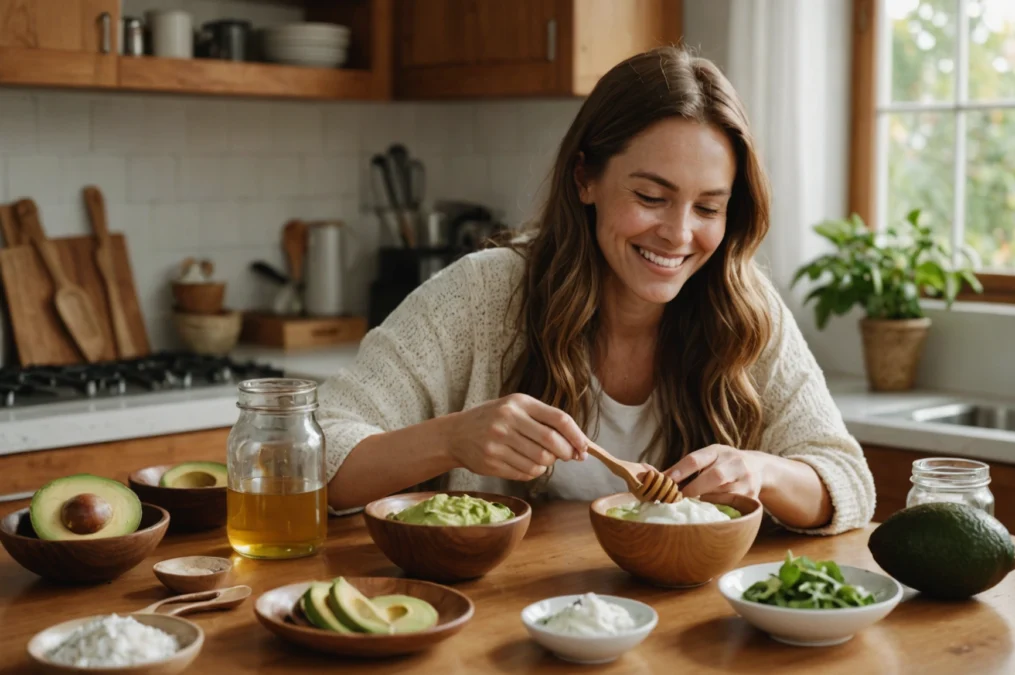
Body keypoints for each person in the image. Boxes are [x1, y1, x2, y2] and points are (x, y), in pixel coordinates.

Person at [317, 46, 875, 534]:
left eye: (708, 207)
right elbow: (312, 450)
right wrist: (452, 439)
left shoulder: (743, 309)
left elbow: (846, 481)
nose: (679, 234)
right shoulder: (483, 294)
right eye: (651, 197)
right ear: (586, 178)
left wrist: (764, 473)